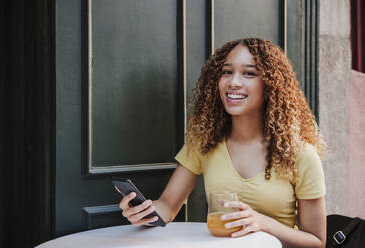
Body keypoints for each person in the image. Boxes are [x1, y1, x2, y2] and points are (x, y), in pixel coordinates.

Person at [118, 38, 327, 248]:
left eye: (249, 73)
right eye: (227, 72)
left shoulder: (300, 154)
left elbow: (316, 242)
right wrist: (143, 212)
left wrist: (263, 223)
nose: (233, 82)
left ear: (271, 85)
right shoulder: (205, 143)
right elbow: (167, 206)